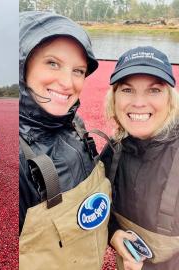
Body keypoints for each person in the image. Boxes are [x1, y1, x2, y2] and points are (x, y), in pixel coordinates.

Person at [19, 11, 111, 269]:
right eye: (52, 63)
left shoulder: (75, 124)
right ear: (22, 65)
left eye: (78, 70)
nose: (67, 82)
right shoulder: (17, 157)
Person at [102, 46, 179, 270]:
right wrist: (114, 234)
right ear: (114, 98)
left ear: (170, 99)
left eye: (154, 90)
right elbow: (98, 209)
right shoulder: (112, 152)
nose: (138, 103)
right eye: (127, 90)